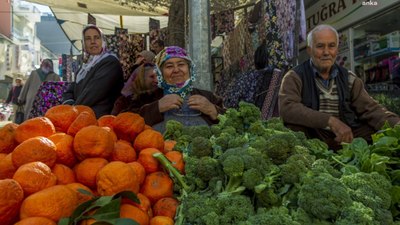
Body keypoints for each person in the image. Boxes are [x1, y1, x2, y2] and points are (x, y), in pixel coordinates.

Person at [278, 24, 400, 150]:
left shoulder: (349, 78)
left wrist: (396, 123)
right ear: (310, 50)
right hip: (313, 139)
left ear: (337, 49)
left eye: (331, 46)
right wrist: (330, 121)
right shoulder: (295, 76)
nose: (326, 52)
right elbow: (287, 108)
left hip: (344, 138)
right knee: (293, 128)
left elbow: (371, 109)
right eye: (320, 46)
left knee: (376, 130)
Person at [120, 46, 225, 132]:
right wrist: (157, 108)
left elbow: (233, 123)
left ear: (189, 69)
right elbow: (124, 123)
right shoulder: (146, 98)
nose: (176, 70)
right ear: (160, 72)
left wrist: (214, 111)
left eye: (181, 64)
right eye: (169, 66)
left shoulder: (207, 97)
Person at [62, 24, 124, 118]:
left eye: (96, 37)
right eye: (88, 38)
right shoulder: (85, 67)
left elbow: (92, 94)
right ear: (84, 43)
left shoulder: (110, 62)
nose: (93, 42)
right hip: (82, 117)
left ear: (103, 40)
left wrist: (72, 111)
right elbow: (69, 91)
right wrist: (70, 104)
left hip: (100, 121)